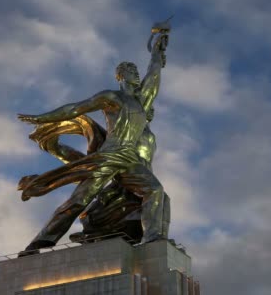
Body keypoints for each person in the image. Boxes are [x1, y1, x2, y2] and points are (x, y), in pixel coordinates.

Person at [17, 25, 170, 256]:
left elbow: (154, 74)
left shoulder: (141, 103)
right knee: (79, 200)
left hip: (129, 159)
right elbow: (75, 108)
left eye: (135, 69)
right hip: (109, 155)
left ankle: (152, 239)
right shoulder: (111, 97)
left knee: (155, 191)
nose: (135, 72)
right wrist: (42, 118)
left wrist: (157, 51)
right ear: (120, 76)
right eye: (129, 69)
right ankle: (37, 244)